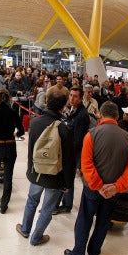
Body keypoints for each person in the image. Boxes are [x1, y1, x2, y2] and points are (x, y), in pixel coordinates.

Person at [64, 101, 128, 255]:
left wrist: (98, 185)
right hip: (113, 191)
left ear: (100, 115)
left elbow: (86, 164)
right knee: (103, 222)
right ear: (117, 117)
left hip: (92, 189)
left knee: (85, 219)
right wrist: (115, 187)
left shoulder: (92, 135)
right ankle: (93, 253)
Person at [16, 90, 75, 246]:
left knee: (32, 201)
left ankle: (25, 229)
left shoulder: (35, 123)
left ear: (47, 103)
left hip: (36, 172)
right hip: (55, 177)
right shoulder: (63, 129)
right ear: (63, 107)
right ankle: (36, 237)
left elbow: (31, 150)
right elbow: (69, 160)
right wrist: (67, 183)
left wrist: (30, 170)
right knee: (48, 208)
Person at [53, 86, 89, 214]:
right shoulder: (73, 110)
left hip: (72, 154)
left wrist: (67, 154)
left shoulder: (82, 115)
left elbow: (78, 140)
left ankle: (66, 205)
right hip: (68, 151)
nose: (72, 98)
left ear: (81, 98)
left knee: (67, 179)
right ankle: (65, 204)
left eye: (75, 96)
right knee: (67, 178)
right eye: (71, 95)